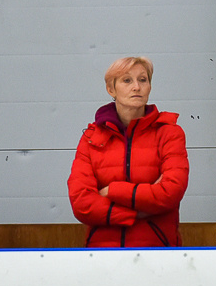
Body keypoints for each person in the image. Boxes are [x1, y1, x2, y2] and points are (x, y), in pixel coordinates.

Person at [68, 56, 189, 247]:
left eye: (143, 80)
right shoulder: (91, 138)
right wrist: (136, 213)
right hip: (102, 255)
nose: (136, 87)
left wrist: (110, 191)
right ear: (111, 89)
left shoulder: (169, 133)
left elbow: (170, 192)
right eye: (127, 80)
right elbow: (82, 204)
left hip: (157, 253)